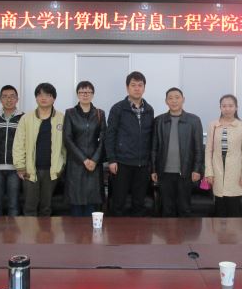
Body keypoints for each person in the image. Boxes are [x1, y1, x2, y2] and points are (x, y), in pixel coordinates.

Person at [105, 71, 154, 216]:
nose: (137, 88)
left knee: (139, 203)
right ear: (127, 88)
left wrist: (150, 163)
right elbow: (110, 135)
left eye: (140, 85)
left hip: (142, 164)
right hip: (122, 163)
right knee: (118, 202)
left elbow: (150, 136)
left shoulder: (149, 109)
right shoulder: (118, 108)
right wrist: (111, 159)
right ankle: (117, 230)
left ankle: (137, 230)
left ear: (144, 88)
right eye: (133, 85)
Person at [13, 83, 65, 217]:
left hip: (52, 171)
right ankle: (29, 231)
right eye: (40, 95)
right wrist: (20, 166)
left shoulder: (62, 118)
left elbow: (66, 145)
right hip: (30, 170)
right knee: (30, 208)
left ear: (54, 98)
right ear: (36, 98)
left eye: (48, 95)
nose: (43, 98)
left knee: (46, 208)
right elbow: (19, 143)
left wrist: (62, 165)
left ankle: (45, 232)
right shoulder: (26, 118)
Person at [151, 87, 203, 217]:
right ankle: (169, 231)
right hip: (164, 173)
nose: (174, 101)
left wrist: (197, 169)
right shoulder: (159, 121)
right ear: (166, 101)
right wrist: (153, 169)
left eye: (177, 97)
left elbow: (198, 148)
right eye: (170, 98)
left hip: (186, 172)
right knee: (167, 209)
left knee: (184, 208)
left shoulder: (194, 120)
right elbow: (154, 148)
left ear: (183, 99)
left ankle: (183, 231)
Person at [63, 81, 107, 216]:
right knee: (76, 203)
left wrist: (94, 160)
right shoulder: (70, 113)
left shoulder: (100, 113)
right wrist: (84, 160)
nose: (85, 95)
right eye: (82, 92)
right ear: (77, 94)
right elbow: (67, 139)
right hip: (76, 164)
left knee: (92, 204)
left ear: (93, 94)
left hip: (94, 164)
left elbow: (103, 139)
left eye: (88, 92)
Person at [204, 94, 242, 217]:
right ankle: (220, 230)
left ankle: (235, 230)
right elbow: (208, 151)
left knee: (234, 207)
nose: (227, 109)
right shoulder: (213, 125)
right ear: (220, 107)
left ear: (236, 107)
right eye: (224, 106)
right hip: (217, 169)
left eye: (230, 106)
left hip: (235, 170)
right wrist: (209, 173)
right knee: (220, 207)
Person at [0, 85, 24, 216]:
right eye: (5, 97)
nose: (9, 99)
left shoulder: (23, 117)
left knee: (13, 205)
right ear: (0, 99)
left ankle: (13, 230)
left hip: (15, 168)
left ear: (17, 99)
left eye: (12, 96)